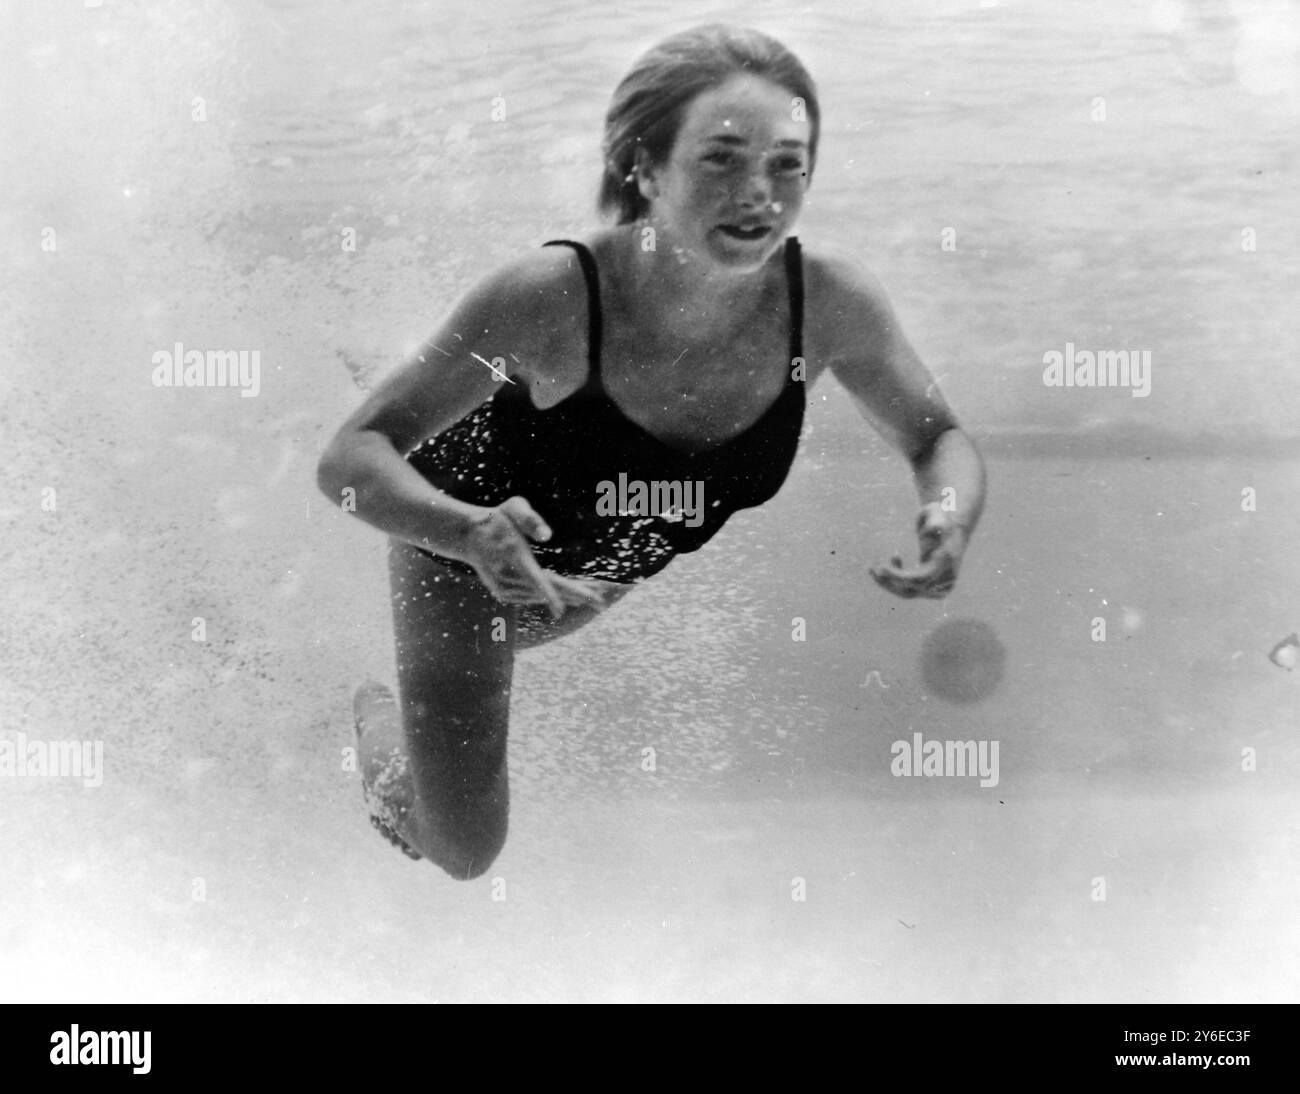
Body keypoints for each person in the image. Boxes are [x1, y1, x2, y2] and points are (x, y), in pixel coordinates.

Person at [316, 24, 987, 879]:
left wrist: (948, 513)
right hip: (464, 563)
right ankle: (367, 722)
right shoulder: (551, 298)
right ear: (644, 166)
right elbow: (350, 459)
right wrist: (469, 533)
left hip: (591, 577)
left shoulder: (832, 306)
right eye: (722, 159)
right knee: (462, 848)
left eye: (788, 164)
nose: (759, 195)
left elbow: (937, 438)